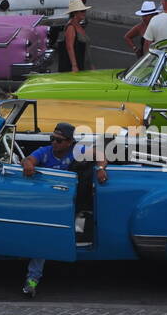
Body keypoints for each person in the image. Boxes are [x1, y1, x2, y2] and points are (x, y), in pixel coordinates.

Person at [20, 122, 108, 298]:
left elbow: (100, 154)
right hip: (46, 204)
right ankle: (32, 279)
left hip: (68, 202)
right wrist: (28, 164)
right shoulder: (45, 152)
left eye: (59, 140)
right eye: (52, 138)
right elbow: (28, 159)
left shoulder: (77, 151)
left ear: (69, 142)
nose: (54, 143)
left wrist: (99, 168)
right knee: (42, 238)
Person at [59, 0, 91, 72]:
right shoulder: (71, 27)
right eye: (82, 11)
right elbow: (69, 47)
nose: (84, 13)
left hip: (83, 62)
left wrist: (91, 65)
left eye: (85, 11)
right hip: (76, 65)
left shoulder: (79, 25)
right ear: (75, 13)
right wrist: (74, 65)